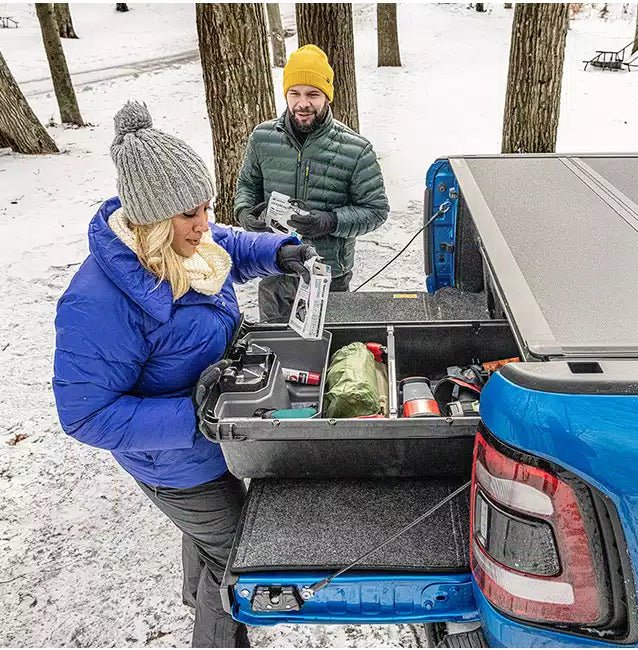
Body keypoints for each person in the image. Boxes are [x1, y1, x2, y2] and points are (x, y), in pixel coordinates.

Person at [52, 101, 315, 648]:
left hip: (212, 440)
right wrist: (194, 416)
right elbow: (84, 416)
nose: (204, 225)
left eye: (206, 207)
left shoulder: (187, 246)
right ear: (150, 220)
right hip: (173, 460)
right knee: (238, 552)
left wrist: (278, 250)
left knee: (211, 536)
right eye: (189, 215)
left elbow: (226, 247)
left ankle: (199, 599)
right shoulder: (98, 303)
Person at [234, 44, 390, 321]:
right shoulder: (262, 138)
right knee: (277, 352)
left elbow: (376, 210)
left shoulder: (356, 149)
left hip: (328, 275)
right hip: (275, 268)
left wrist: (330, 221)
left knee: (328, 354)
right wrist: (245, 214)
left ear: (327, 96)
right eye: (294, 93)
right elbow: (247, 186)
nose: (302, 103)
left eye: (312, 94)